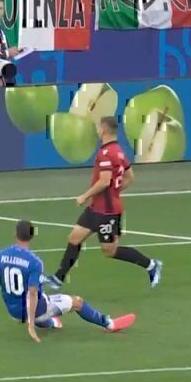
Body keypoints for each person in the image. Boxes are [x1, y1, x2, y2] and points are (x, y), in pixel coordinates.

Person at [0, 220, 137, 343]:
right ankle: (109, 324)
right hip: (35, 310)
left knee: (45, 297)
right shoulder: (34, 262)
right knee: (77, 302)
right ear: (32, 236)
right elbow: (32, 294)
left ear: (15, 234)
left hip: (13, 312)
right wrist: (31, 326)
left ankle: (51, 322)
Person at [45, 117, 164, 290]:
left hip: (107, 212)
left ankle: (151, 265)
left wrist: (85, 196)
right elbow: (130, 177)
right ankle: (58, 278)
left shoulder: (106, 154)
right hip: (96, 208)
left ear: (103, 129)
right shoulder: (119, 151)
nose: (97, 130)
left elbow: (104, 181)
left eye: (98, 127)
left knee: (109, 250)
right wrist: (115, 192)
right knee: (74, 238)